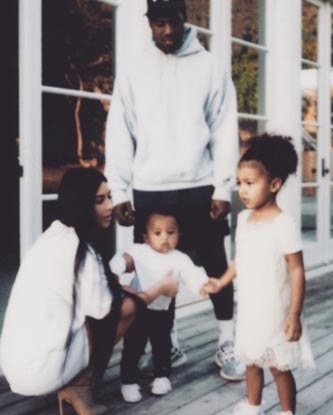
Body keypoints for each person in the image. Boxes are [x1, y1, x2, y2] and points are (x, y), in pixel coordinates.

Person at [104, 0, 244, 380]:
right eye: (160, 22)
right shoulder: (133, 69)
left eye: (175, 22)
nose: (168, 31)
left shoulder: (210, 66)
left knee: (214, 265)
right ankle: (171, 344)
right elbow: (120, 131)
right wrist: (119, 192)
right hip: (149, 189)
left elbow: (223, 128)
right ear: (149, 22)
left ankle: (226, 344)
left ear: (187, 20)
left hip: (199, 186)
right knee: (154, 274)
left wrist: (222, 187)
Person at [0, 168, 179, 415]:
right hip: (42, 370)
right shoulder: (81, 251)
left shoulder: (53, 235)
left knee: (119, 298)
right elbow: (105, 310)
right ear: (81, 203)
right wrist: (159, 289)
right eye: (99, 200)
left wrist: (115, 283)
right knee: (129, 306)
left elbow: (86, 291)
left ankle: (74, 385)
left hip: (16, 366)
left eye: (109, 197)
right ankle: (80, 387)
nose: (109, 207)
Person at [204, 135, 315, 415]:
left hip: (276, 310)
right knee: (251, 360)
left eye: (250, 183)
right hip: (251, 308)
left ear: (274, 184)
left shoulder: (283, 224)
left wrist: (294, 314)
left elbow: (296, 269)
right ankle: (253, 405)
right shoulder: (243, 220)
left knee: (278, 365)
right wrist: (222, 281)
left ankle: (287, 411)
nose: (242, 190)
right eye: (239, 183)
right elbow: (240, 260)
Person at [109, 209, 215, 402]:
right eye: (157, 233)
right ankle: (128, 381)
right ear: (146, 237)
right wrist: (117, 269)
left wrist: (202, 285)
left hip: (164, 310)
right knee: (133, 346)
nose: (164, 237)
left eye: (171, 232)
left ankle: (162, 376)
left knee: (162, 343)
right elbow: (119, 260)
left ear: (178, 235)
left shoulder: (180, 258)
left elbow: (192, 273)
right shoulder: (138, 251)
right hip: (139, 308)